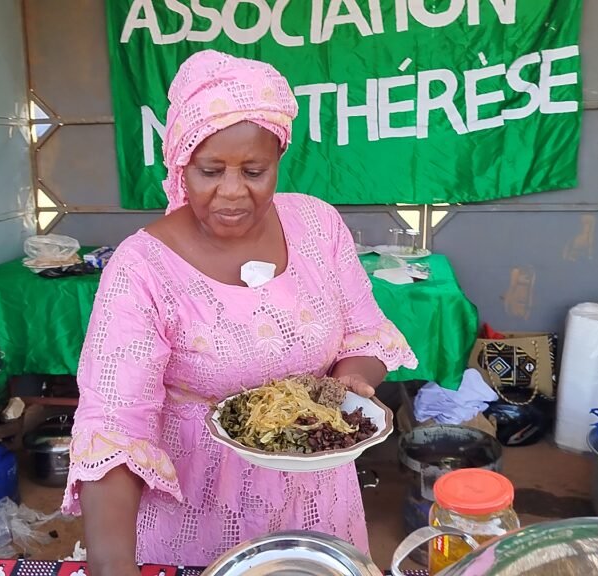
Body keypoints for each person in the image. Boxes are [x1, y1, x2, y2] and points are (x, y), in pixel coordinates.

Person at [62, 50, 417, 575]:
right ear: (181, 163)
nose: (232, 192)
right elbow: (115, 426)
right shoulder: (143, 267)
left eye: (254, 170)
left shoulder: (317, 225)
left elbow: (363, 335)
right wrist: (113, 563)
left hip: (316, 500)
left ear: (279, 159)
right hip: (196, 508)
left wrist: (350, 386)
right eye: (210, 171)